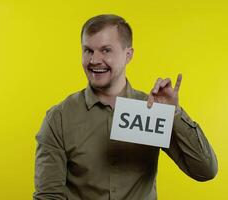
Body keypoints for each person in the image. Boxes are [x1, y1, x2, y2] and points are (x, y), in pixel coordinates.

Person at [33, 14, 218, 200]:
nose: (94, 60)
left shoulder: (151, 109)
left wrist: (174, 114)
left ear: (128, 55)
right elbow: (48, 196)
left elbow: (205, 171)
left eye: (105, 50)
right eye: (88, 50)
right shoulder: (59, 118)